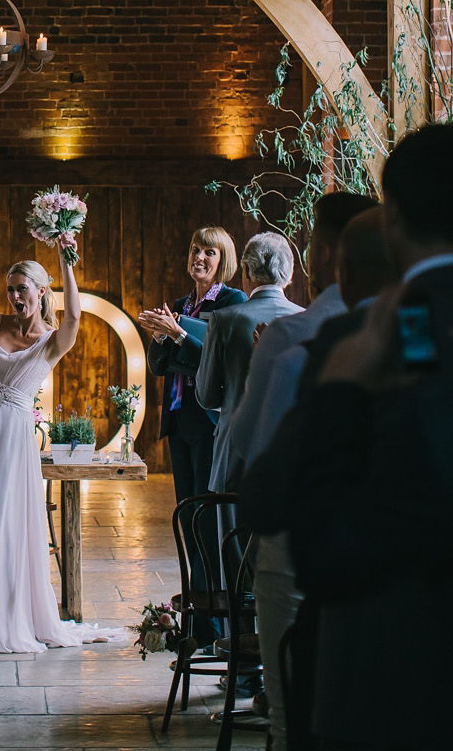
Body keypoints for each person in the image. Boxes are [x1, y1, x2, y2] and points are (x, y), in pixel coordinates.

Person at [283, 125, 453, 751]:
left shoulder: (374, 339)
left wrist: (340, 390)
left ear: (396, 221)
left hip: (391, 672)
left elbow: (323, 546)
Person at [228, 193, 376, 751]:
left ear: (324, 251)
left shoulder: (296, 339)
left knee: (294, 712)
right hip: (392, 552)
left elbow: (251, 440)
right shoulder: (412, 324)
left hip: (300, 538)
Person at [0, 245, 119, 654]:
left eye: (22, 289)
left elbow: (73, 316)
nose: (15, 297)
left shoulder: (53, 340)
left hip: (12, 441)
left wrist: (67, 261)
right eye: (11, 289)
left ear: (41, 291)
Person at [137, 225, 245, 647]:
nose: (199, 258)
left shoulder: (233, 303)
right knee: (187, 518)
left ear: (224, 261)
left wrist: (181, 334)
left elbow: (218, 359)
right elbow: (161, 367)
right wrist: (160, 337)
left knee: (207, 521)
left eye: (209, 253)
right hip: (180, 420)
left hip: (209, 422)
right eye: (195, 249)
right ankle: (198, 624)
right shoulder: (181, 303)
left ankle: (213, 627)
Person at [195, 230, 302, 493]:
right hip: (292, 452)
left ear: (245, 271)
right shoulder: (308, 319)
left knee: (232, 534)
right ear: (289, 274)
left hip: (235, 451)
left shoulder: (224, 320)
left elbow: (207, 396)